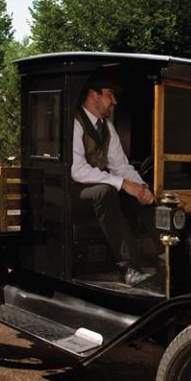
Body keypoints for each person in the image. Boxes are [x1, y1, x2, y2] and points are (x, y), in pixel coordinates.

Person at [69, 77, 158, 287]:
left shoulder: (107, 128)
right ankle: (129, 267)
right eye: (110, 94)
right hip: (71, 191)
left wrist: (143, 189)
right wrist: (122, 184)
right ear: (93, 95)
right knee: (105, 191)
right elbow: (77, 170)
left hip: (99, 187)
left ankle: (167, 256)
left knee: (136, 195)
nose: (114, 101)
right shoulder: (75, 122)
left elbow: (122, 167)